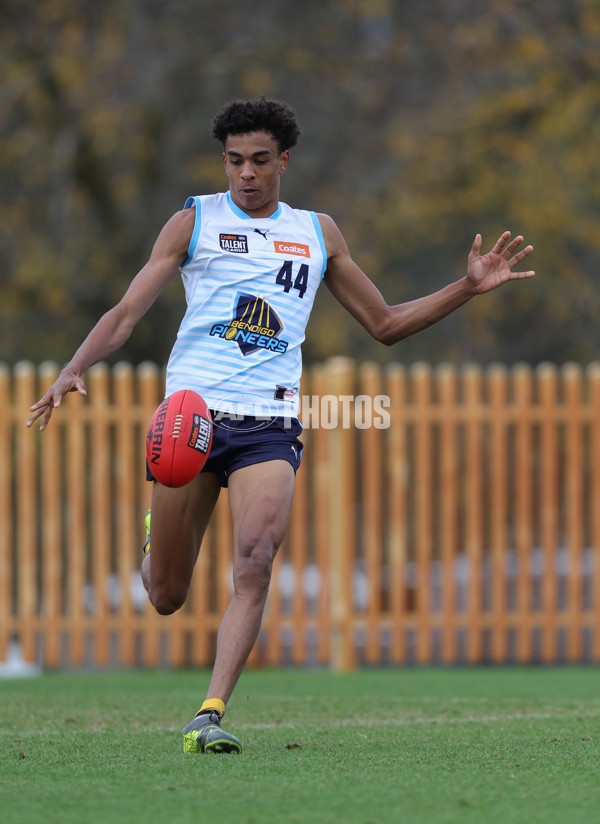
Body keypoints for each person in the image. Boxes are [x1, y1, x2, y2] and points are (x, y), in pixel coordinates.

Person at [27, 96, 535, 754]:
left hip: (269, 423)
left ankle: (209, 711)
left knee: (256, 561)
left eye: (260, 160)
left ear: (284, 162)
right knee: (166, 595)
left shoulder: (318, 232)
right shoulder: (193, 222)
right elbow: (126, 314)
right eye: (235, 160)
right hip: (191, 418)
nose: (246, 173)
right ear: (224, 162)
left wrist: (464, 288)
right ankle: (158, 546)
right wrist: (74, 365)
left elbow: (383, 325)